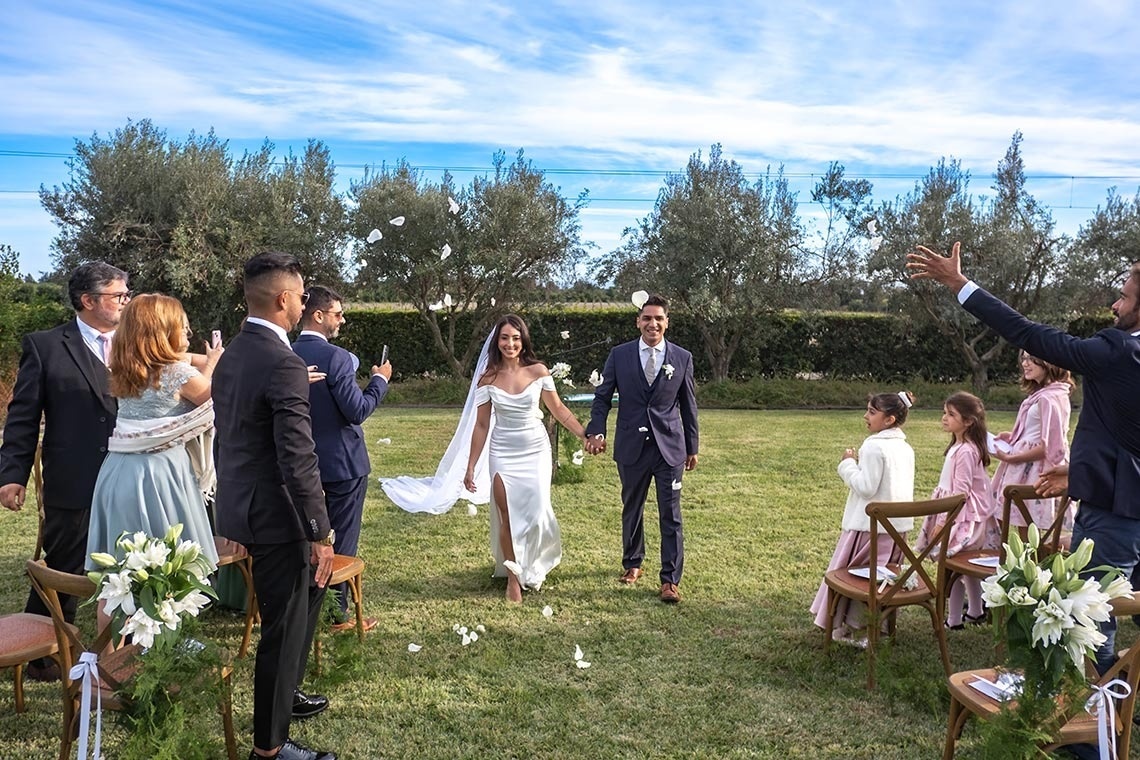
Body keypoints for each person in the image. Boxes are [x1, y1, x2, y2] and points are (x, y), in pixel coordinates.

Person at [908, 242, 1140, 674]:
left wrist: (960, 284)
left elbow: (1030, 333)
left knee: (1093, 616)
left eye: (1124, 296)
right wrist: (1082, 468)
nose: (1114, 303)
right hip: (1124, 496)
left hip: (1115, 513)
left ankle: (1094, 726)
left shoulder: (1118, 351)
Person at [213, 252, 336, 760]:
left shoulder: (235, 353)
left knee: (301, 609)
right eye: (304, 296)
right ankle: (269, 747)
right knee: (281, 629)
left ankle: (285, 696)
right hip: (279, 516)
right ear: (285, 299)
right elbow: (296, 457)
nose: (304, 304)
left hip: (242, 505)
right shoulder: (283, 362)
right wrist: (320, 532)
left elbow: (232, 438)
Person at [0, 261, 128, 680]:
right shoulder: (45, 346)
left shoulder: (136, 341)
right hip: (73, 477)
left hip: (131, 475)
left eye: (126, 295)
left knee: (132, 562)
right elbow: (22, 415)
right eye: (117, 296)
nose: (125, 303)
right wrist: (12, 474)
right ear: (88, 300)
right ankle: (43, 656)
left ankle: (126, 652)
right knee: (66, 563)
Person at [86, 294, 222, 569]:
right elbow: (221, 401)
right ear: (163, 331)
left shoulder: (126, 366)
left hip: (118, 470)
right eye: (181, 324)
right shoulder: (177, 373)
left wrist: (207, 364)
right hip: (160, 473)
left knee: (122, 563)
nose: (188, 330)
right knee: (169, 562)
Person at [462, 315, 588, 602]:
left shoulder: (539, 371)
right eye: (505, 338)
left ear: (524, 340)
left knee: (537, 510)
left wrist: (584, 434)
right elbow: (481, 425)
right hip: (502, 451)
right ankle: (514, 579)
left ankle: (533, 561)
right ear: (497, 342)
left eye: (516, 338)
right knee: (507, 515)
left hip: (535, 450)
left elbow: (559, 409)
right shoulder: (488, 379)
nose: (510, 343)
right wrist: (470, 465)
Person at [586, 294, 699, 604]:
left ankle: (670, 580)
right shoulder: (619, 356)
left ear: (667, 322)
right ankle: (633, 564)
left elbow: (689, 405)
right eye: (647, 318)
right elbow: (602, 397)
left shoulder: (682, 357)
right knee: (632, 508)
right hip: (631, 446)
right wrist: (596, 429)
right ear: (638, 322)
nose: (653, 324)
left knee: (670, 514)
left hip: (670, 448)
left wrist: (692, 446)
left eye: (658, 318)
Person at [292, 285, 390, 630]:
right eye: (338, 314)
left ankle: (303, 609)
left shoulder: (286, 354)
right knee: (342, 540)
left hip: (300, 465)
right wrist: (379, 381)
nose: (342, 320)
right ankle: (336, 615)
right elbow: (357, 410)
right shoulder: (336, 358)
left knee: (306, 537)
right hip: (342, 464)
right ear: (318, 316)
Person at [810, 391, 916, 645]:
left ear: (889, 419)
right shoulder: (905, 448)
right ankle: (872, 627)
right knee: (879, 580)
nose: (865, 416)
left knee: (852, 574)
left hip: (867, 530)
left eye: (871, 411)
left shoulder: (873, 446)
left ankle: (844, 627)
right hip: (895, 532)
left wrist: (848, 464)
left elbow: (866, 487)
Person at [914, 392, 999, 630]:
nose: (944, 418)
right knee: (964, 567)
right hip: (961, 514)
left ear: (969, 421)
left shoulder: (966, 451)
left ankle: (953, 620)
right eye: (945, 412)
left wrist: (942, 524)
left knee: (952, 564)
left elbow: (958, 494)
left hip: (962, 518)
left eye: (951, 414)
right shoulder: (961, 446)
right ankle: (974, 611)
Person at [990, 351, 1073, 535]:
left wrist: (1013, 458)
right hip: (1026, 461)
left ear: (1049, 363)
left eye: (1032, 359)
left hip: (1034, 466)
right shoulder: (1047, 394)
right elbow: (1040, 432)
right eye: (1023, 359)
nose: (1025, 364)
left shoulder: (1048, 398)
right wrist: (1013, 436)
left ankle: (1028, 560)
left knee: (1027, 523)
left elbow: (1049, 445)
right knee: (1025, 521)